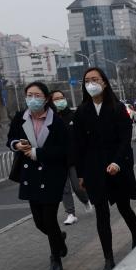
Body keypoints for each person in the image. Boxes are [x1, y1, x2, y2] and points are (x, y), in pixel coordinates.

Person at [72, 66, 136, 270]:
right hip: (94, 169)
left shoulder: (118, 108)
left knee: (123, 207)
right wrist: (82, 174)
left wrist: (117, 162)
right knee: (101, 215)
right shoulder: (82, 111)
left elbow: (124, 140)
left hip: (116, 166)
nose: (91, 83)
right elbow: (78, 145)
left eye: (95, 79)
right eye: (87, 80)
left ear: (104, 82)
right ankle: (108, 258)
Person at [7, 81, 70, 270]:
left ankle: (55, 258)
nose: (32, 99)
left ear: (45, 98)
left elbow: (64, 150)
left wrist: (38, 153)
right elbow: (10, 139)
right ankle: (59, 239)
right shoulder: (20, 117)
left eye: (37, 95)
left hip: (52, 174)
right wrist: (17, 145)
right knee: (39, 222)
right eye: (29, 95)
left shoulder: (56, 121)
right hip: (31, 175)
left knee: (49, 219)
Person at [50, 89, 91, 225]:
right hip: (58, 160)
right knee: (64, 188)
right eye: (56, 99)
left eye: (61, 98)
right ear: (51, 102)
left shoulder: (73, 116)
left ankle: (86, 200)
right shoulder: (49, 119)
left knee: (78, 187)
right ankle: (71, 214)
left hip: (73, 158)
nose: (59, 101)